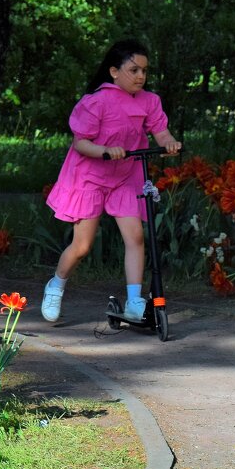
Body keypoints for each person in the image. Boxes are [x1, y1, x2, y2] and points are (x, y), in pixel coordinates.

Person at [41, 40, 182, 323]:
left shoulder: (149, 101)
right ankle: (56, 284)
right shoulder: (97, 101)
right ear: (115, 71)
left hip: (126, 175)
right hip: (91, 176)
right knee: (82, 246)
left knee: (136, 237)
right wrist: (105, 150)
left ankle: (134, 301)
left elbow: (160, 131)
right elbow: (81, 144)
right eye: (134, 70)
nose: (141, 76)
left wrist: (169, 144)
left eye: (144, 70)